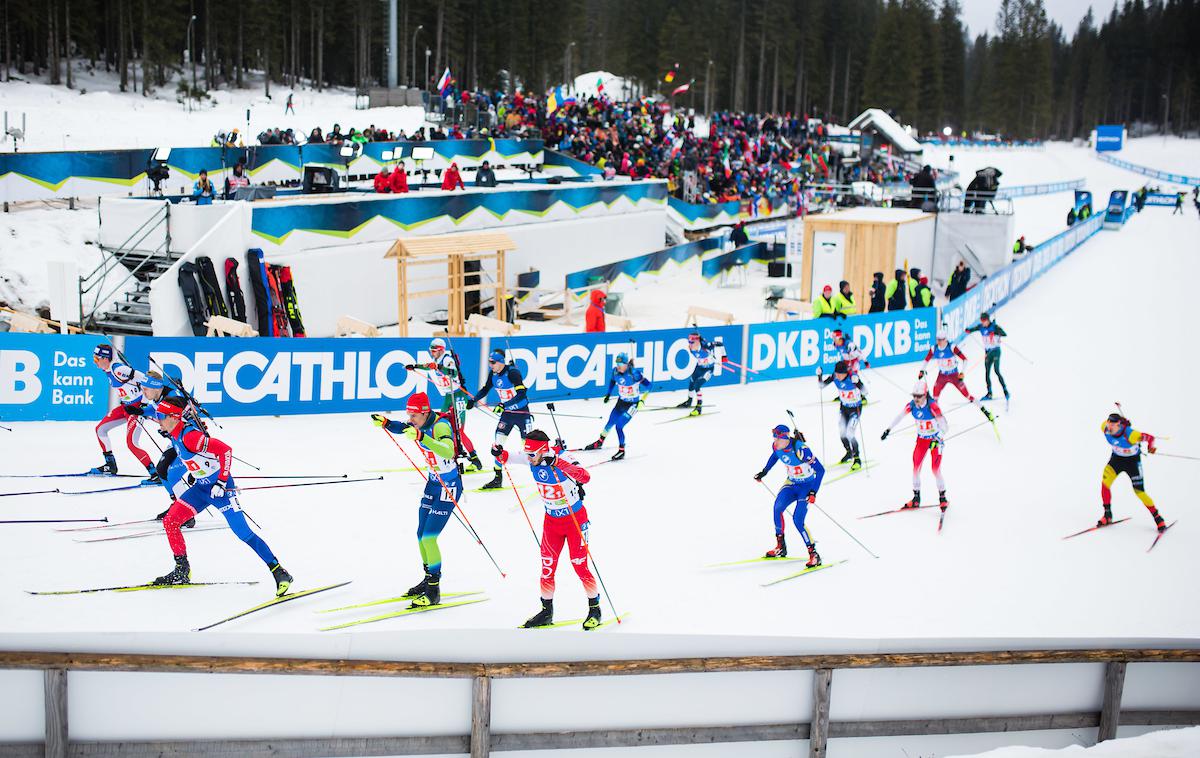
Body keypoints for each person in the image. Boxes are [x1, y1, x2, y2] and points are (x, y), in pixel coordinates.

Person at [153, 397, 294, 596]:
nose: (158, 420)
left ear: (174, 418)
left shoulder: (190, 437)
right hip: (201, 490)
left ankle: (280, 572)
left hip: (220, 490)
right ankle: (182, 570)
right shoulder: (174, 434)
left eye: (161, 416)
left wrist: (221, 481)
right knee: (170, 521)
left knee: (243, 533)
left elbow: (225, 450)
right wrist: (196, 474)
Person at [371, 392, 460, 607]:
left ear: (425, 412)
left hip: (448, 487)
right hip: (433, 483)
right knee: (421, 534)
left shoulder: (440, 426)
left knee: (429, 537)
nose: (410, 420)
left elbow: (448, 449)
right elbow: (402, 428)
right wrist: (385, 423)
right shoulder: (417, 423)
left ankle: (434, 591)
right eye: (408, 414)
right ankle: (427, 579)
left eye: (414, 416)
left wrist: (422, 438)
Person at [508, 430, 602, 630]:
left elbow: (585, 477)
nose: (529, 458)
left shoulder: (563, 457)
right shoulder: (531, 457)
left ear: (543, 450)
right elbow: (508, 457)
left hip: (575, 520)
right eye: (528, 454)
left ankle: (595, 609)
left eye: (532, 454)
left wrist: (557, 463)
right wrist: (498, 452)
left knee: (580, 566)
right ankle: (546, 611)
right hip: (552, 522)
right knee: (547, 568)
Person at [753, 425, 824, 567]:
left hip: (806, 486)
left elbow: (821, 470)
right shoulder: (776, 447)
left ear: (785, 438)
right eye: (774, 438)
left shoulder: (801, 450)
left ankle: (814, 554)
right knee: (777, 508)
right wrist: (764, 472)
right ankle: (781, 547)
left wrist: (813, 492)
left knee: (797, 520)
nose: (775, 442)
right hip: (791, 483)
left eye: (778, 439)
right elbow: (775, 456)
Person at [409, 338, 484, 472]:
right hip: (448, 397)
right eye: (431, 351)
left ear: (441, 350)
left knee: (459, 430)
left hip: (458, 396)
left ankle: (474, 458)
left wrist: (438, 367)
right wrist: (414, 366)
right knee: (441, 424)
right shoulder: (437, 360)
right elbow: (428, 366)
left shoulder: (447, 359)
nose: (432, 353)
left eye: (434, 351)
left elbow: (452, 372)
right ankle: (445, 455)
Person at [88, 344, 156, 481]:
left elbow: (146, 380)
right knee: (100, 429)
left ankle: (155, 473)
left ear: (105, 358)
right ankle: (110, 465)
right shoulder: (108, 370)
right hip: (126, 407)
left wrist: (143, 404)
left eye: (96, 359)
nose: (94, 362)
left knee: (132, 443)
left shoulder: (118, 369)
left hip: (136, 409)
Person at [880, 380, 949, 511]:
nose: (916, 399)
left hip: (935, 440)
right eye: (914, 396)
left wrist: (938, 437)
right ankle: (916, 498)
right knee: (916, 468)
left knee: (935, 469)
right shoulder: (912, 405)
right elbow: (900, 416)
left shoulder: (933, 406)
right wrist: (888, 429)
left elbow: (945, 426)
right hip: (922, 440)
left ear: (925, 394)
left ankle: (942, 497)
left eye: (919, 396)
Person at [471, 351, 534, 490]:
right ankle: (497, 478)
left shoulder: (512, 373)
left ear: (501, 362)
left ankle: (545, 473)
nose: (490, 365)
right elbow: (485, 389)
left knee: (530, 448)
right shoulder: (493, 374)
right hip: (507, 415)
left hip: (522, 413)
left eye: (493, 362)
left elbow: (522, 395)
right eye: (489, 362)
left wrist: (503, 405)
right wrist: (473, 400)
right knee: (497, 446)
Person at [1097, 413, 1168, 532]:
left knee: (1139, 491)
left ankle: (1158, 518)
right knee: (1105, 484)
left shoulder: (1131, 434)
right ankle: (1107, 515)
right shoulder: (1104, 427)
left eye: (1112, 424)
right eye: (1108, 423)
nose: (1109, 427)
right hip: (1116, 460)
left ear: (1119, 424)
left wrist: (1151, 447)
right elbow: (1108, 426)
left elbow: (1150, 438)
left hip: (1132, 463)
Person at [584, 353, 651, 460]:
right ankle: (600, 442)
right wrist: (608, 394)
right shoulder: (615, 371)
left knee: (619, 426)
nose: (619, 366)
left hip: (633, 405)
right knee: (610, 423)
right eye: (617, 363)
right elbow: (612, 381)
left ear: (626, 364)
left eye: (621, 364)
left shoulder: (634, 373)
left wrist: (642, 400)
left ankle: (621, 450)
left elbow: (649, 386)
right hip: (621, 402)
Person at [920, 329, 995, 423]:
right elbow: (926, 360)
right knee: (935, 399)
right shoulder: (934, 348)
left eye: (941, 340)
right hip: (942, 376)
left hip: (954, 376)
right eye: (937, 339)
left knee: (968, 395)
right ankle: (936, 419)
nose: (939, 342)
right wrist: (921, 370)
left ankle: (986, 412)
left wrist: (962, 372)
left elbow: (965, 359)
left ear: (945, 339)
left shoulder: (952, 347)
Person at [817, 361, 866, 470]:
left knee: (850, 433)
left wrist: (858, 383)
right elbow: (821, 386)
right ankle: (849, 452)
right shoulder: (835, 376)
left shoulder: (852, 377)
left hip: (855, 409)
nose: (838, 376)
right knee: (842, 433)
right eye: (837, 373)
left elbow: (865, 392)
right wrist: (819, 375)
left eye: (840, 374)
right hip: (844, 408)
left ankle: (857, 458)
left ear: (846, 373)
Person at [964, 311, 1009, 402]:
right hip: (988, 352)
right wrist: (968, 330)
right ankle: (989, 393)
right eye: (982, 321)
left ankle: (1005, 391)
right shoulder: (981, 327)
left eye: (984, 321)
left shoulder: (994, 327)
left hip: (996, 351)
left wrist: (996, 333)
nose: (983, 323)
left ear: (988, 320)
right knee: (987, 373)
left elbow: (1004, 334)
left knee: (996, 371)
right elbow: (973, 329)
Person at [676, 331, 723, 416]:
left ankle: (699, 407)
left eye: (692, 342)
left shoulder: (705, 346)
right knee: (691, 383)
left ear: (697, 342)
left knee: (697, 385)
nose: (690, 344)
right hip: (699, 367)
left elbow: (715, 344)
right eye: (689, 342)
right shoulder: (690, 348)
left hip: (708, 370)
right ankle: (689, 402)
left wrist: (716, 344)